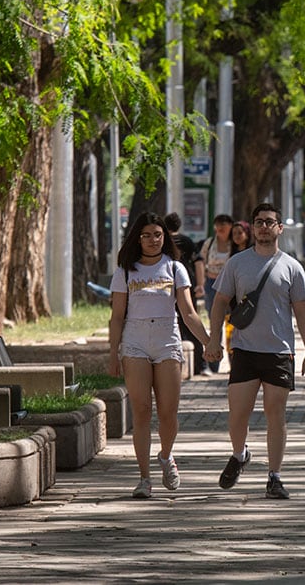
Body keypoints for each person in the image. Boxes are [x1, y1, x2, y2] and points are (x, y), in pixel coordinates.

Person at [205, 202, 305, 500]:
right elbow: (219, 302)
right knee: (237, 415)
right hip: (243, 349)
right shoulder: (237, 263)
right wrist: (213, 339)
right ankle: (240, 454)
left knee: (275, 414)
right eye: (259, 222)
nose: (264, 227)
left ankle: (275, 476)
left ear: (280, 227)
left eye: (269, 222)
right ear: (252, 228)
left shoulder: (292, 267)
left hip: (279, 352)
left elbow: (303, 312)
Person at [108, 211, 212, 499]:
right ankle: (144, 479)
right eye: (146, 235)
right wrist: (113, 353)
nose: (152, 240)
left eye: (157, 235)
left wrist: (207, 342)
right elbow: (117, 317)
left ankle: (166, 456)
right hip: (135, 341)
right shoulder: (125, 271)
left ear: (165, 237)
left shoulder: (176, 268)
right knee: (141, 412)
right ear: (137, 239)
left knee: (168, 412)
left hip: (167, 339)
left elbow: (188, 312)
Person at [193, 213, 235, 375]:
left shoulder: (235, 245)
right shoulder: (210, 243)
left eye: (223, 228)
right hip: (212, 285)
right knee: (215, 321)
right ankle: (214, 362)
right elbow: (201, 261)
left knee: (233, 323)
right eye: (217, 228)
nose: (220, 231)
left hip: (230, 286)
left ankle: (234, 361)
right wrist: (201, 283)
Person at [164, 212, 205, 376]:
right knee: (191, 320)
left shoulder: (163, 242)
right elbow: (199, 262)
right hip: (187, 285)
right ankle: (200, 365)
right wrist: (200, 284)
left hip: (166, 286)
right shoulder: (187, 241)